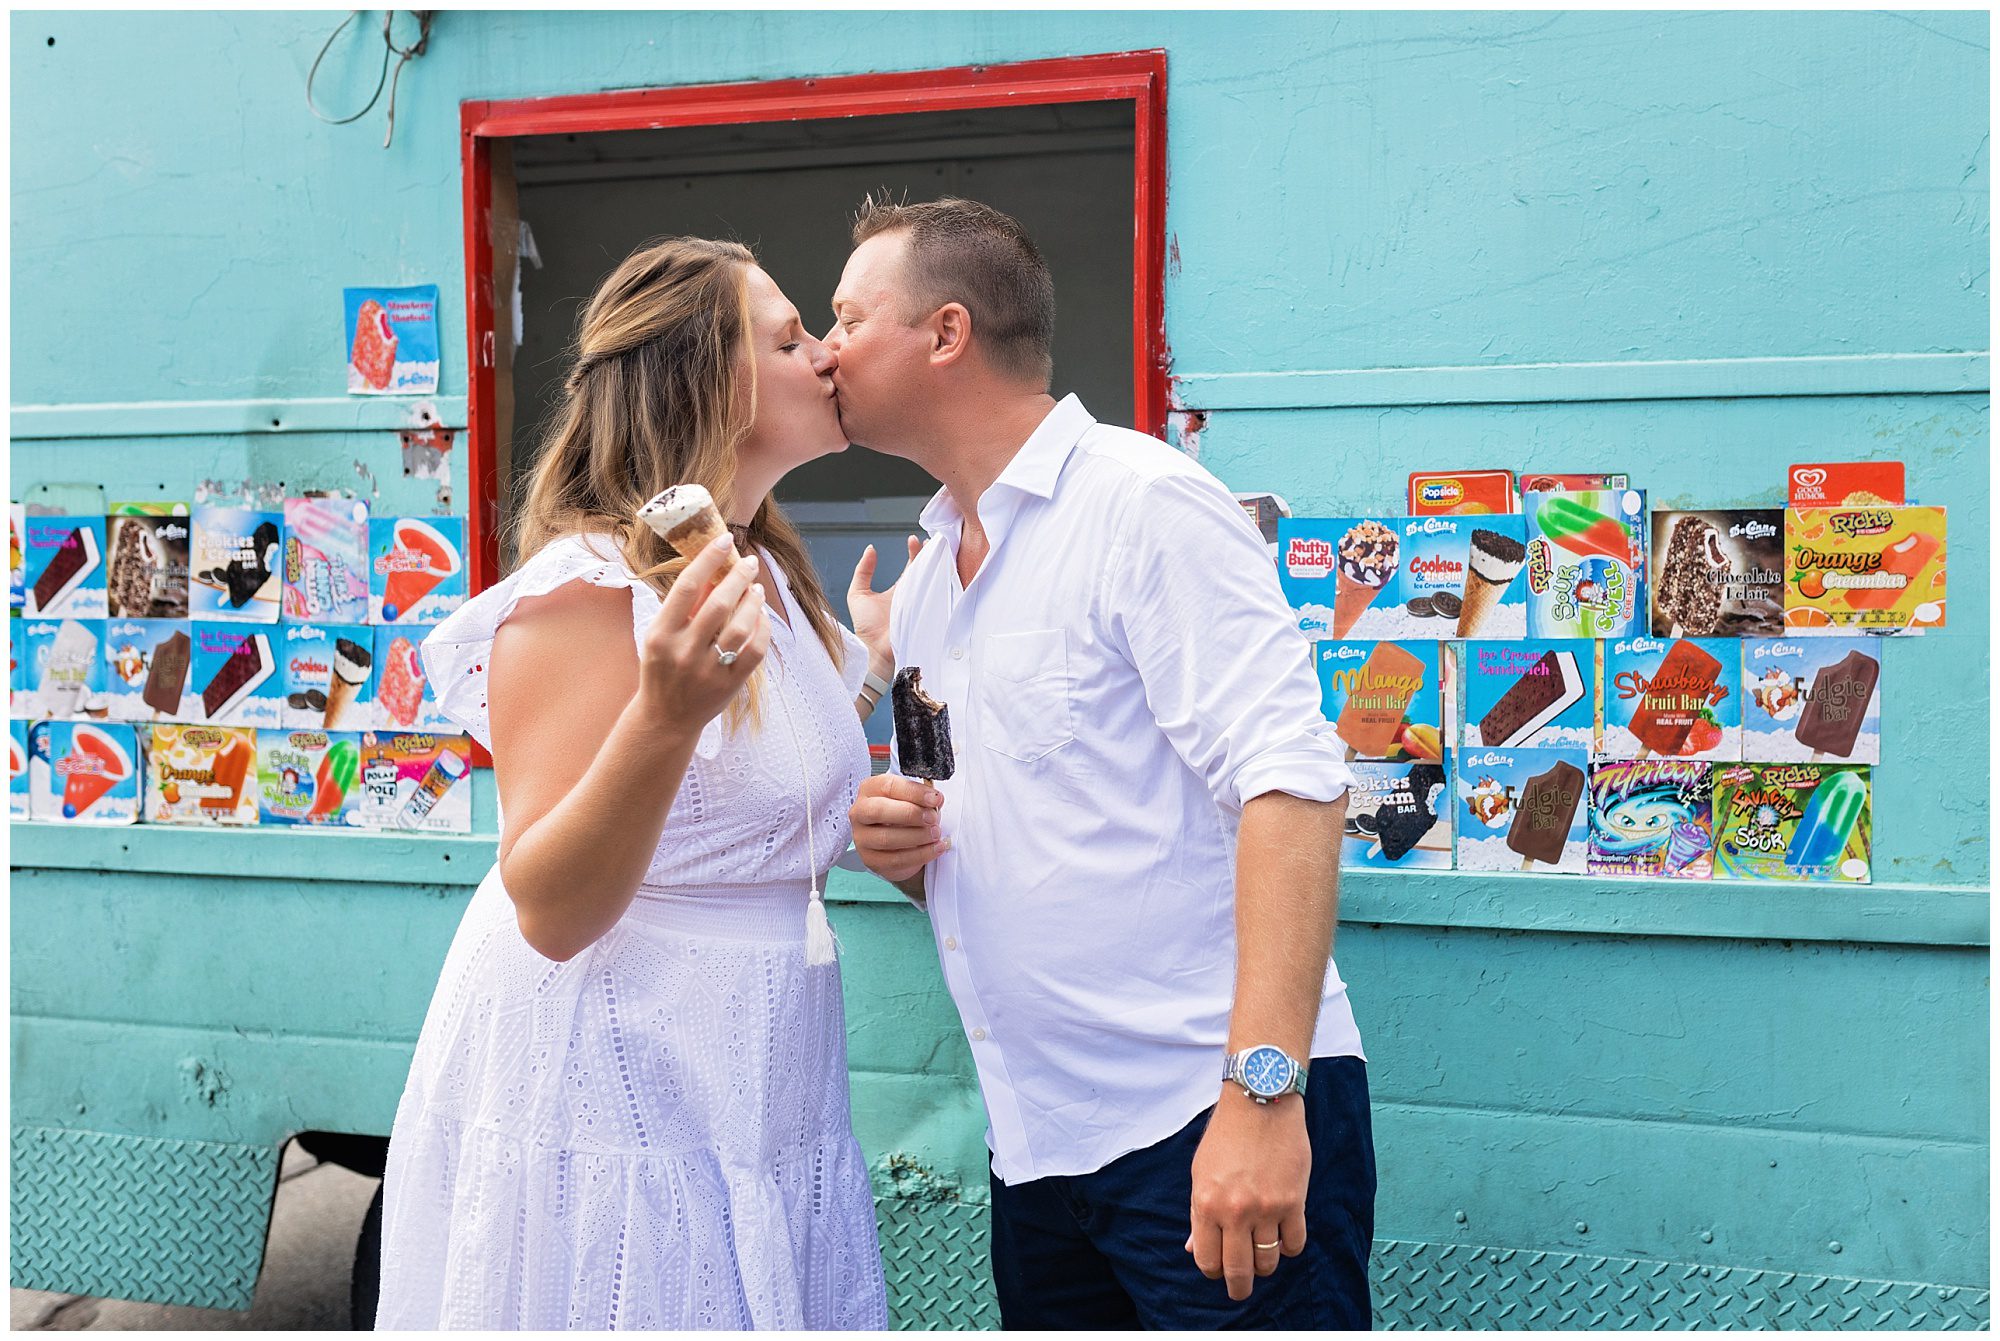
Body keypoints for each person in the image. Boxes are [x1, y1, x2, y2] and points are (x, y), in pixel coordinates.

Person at [837, 197, 1377, 1329]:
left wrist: (1261, 1099)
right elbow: (1011, 818)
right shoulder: (932, 578)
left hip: (1204, 1117)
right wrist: (907, 848)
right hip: (1040, 1149)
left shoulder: (1142, 504)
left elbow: (1294, 782)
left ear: (944, 334)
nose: (826, 347)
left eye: (846, 315)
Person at [375, 237, 898, 1329]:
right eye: (789, 338)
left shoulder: (770, 575)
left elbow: (741, 792)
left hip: (753, 1066)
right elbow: (550, 909)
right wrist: (662, 717)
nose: (825, 356)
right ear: (704, 378)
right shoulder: (583, 592)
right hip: (615, 1070)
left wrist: (869, 673)